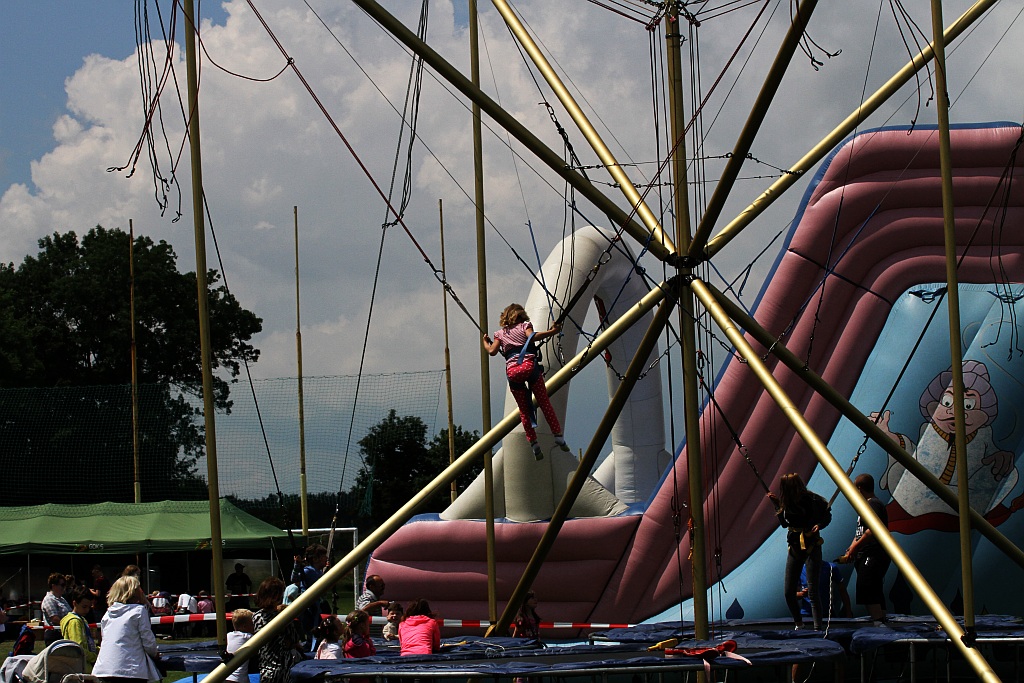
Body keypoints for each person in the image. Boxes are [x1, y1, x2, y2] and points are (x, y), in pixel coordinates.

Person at [483, 303, 570, 460]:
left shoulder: (499, 334)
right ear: (521, 315)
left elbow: (492, 351)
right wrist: (552, 331)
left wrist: (485, 341)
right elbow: (532, 337)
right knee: (544, 402)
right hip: (530, 368)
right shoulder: (525, 326)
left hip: (513, 373)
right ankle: (558, 435)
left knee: (524, 409)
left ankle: (534, 443)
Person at [768, 472, 832, 631]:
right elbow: (784, 524)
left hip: (812, 545)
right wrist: (777, 505)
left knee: (813, 590)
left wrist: (820, 524)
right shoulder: (787, 503)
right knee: (789, 591)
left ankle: (818, 628)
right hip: (795, 547)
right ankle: (799, 624)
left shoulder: (813, 500)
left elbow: (827, 515)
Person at [842, 473, 892, 625]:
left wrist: (856, 547)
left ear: (859, 488)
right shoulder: (866, 506)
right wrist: (851, 548)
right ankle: (880, 619)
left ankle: (878, 621)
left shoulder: (873, 504)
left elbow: (872, 530)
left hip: (874, 552)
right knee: (873, 588)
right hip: (866, 552)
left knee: (867, 586)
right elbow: (861, 531)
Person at [92, 575, 162, 682]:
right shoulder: (139, 611)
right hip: (130, 669)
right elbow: (148, 641)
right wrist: (155, 654)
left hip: (104, 668)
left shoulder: (108, 614)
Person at [252, 576, 302, 683]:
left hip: (266, 667)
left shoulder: (256, 616)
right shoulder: (283, 618)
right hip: (282, 668)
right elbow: (294, 640)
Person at [60, 587, 97, 663]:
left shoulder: (82, 619)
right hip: (80, 667)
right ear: (74, 603)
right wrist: (95, 657)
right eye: (84, 607)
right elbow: (78, 649)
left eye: (89, 607)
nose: (87, 610)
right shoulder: (74, 621)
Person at [40, 572, 72, 645]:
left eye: (65, 585)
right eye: (62, 585)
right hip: (54, 635)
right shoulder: (49, 599)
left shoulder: (62, 599)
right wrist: (70, 625)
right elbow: (54, 619)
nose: (64, 588)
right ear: (53, 586)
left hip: (64, 633)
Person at [225, 608, 254, 683]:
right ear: (244, 627)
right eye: (252, 624)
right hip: (239, 679)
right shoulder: (247, 636)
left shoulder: (229, 635)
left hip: (226, 676)